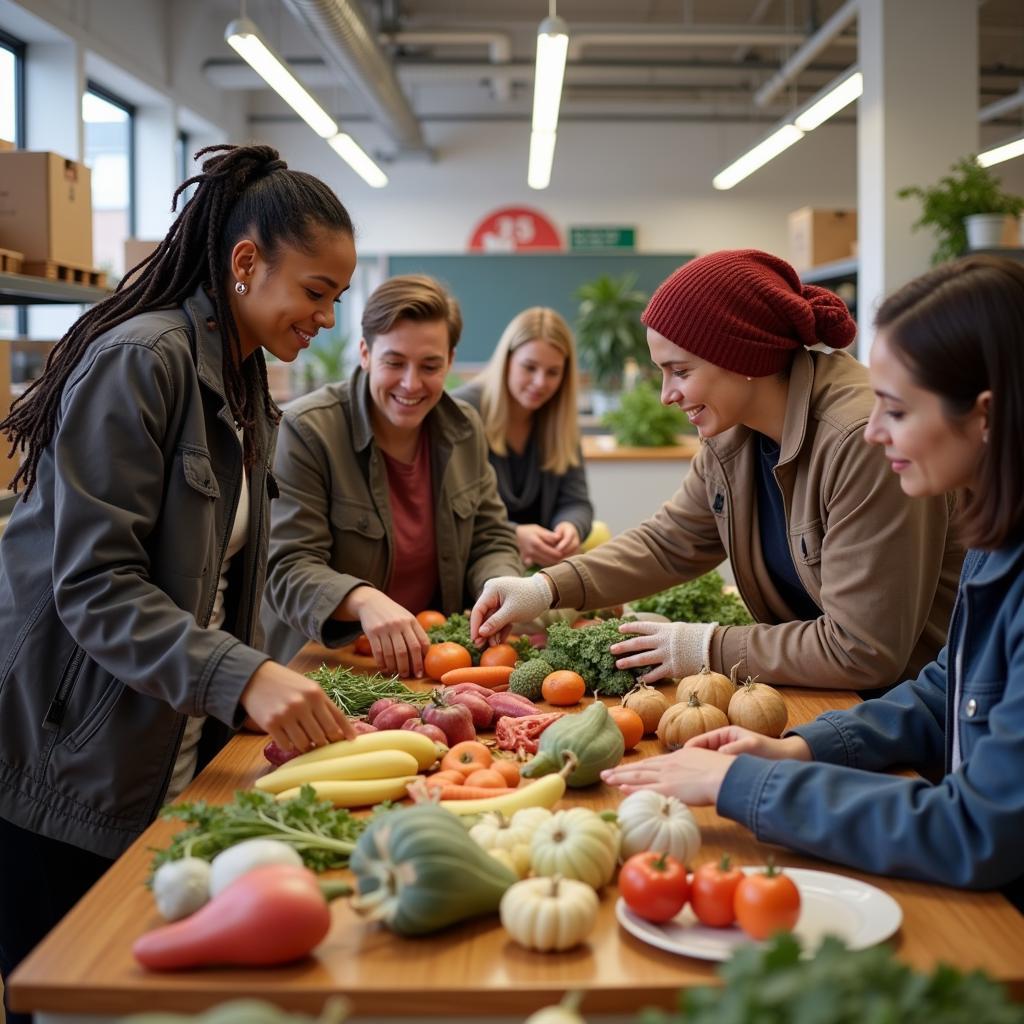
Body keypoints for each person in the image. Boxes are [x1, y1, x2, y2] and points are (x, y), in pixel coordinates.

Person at [0, 144, 356, 1021]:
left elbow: (220, 573)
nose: (326, 315)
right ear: (245, 263)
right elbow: (96, 586)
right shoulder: (143, 360)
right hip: (69, 760)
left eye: (336, 298)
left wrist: (242, 691)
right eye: (315, 291)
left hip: (164, 738)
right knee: (71, 996)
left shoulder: (242, 381)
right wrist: (243, 676)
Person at [602, 255, 1024, 907]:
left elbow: (974, 830)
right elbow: (947, 689)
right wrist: (799, 748)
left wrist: (741, 786)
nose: (875, 430)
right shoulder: (999, 538)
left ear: (986, 417)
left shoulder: (854, 443)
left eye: (897, 410)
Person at [470, 249, 963, 691]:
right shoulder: (731, 431)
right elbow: (670, 542)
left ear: (742, 356)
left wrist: (705, 648)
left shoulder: (859, 440)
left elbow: (862, 650)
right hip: (827, 693)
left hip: (909, 714)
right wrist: (543, 588)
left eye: (680, 372)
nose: (666, 396)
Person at [260, 274, 522, 676]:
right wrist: (363, 599)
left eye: (430, 365)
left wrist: (501, 585)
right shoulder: (307, 430)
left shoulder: (465, 426)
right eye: (394, 362)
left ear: (450, 361)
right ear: (365, 353)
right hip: (331, 668)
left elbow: (492, 537)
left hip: (434, 663)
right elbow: (287, 567)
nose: (411, 383)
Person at [452, 307, 594, 567]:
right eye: (529, 367)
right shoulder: (461, 412)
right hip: (477, 566)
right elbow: (450, 513)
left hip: (540, 570)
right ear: (506, 361)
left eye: (553, 372)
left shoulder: (560, 420)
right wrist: (512, 534)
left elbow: (577, 502)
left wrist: (570, 527)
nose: (540, 382)